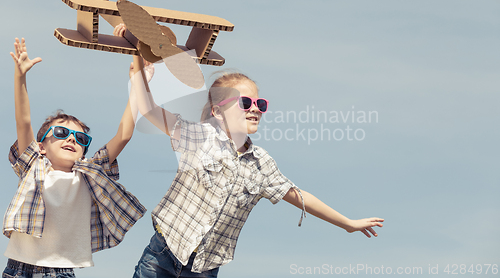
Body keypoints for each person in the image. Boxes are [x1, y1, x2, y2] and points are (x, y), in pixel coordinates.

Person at [118, 24, 384, 278]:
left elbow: (300, 196)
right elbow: (149, 108)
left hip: (204, 268)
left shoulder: (262, 164)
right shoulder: (197, 137)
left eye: (260, 103)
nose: (255, 108)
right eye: (245, 102)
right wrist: (140, 60)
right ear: (218, 111)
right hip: (163, 254)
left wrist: (347, 223)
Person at [2, 37, 148, 278]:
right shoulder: (33, 166)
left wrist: (136, 82)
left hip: (61, 272)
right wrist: (20, 77)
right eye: (61, 133)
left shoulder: (89, 175)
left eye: (80, 139)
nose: (71, 139)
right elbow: (24, 121)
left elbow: (123, 136)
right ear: (41, 146)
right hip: (18, 269)